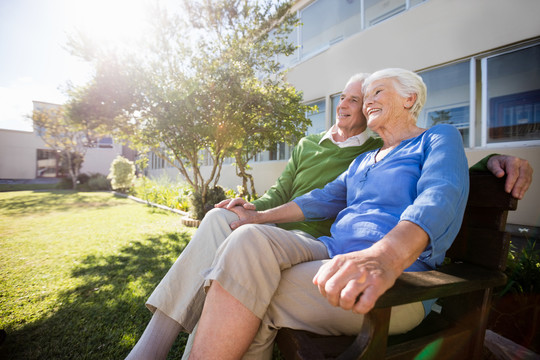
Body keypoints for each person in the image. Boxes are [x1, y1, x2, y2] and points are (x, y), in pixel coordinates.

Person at [125, 71, 533, 360]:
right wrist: (258, 219)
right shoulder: (365, 159)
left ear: (410, 98)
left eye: (377, 92)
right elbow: (321, 198)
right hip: (330, 252)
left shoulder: (438, 138)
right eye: (362, 94)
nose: (366, 100)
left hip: (401, 279)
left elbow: (443, 193)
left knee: (243, 288)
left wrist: (385, 257)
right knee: (244, 241)